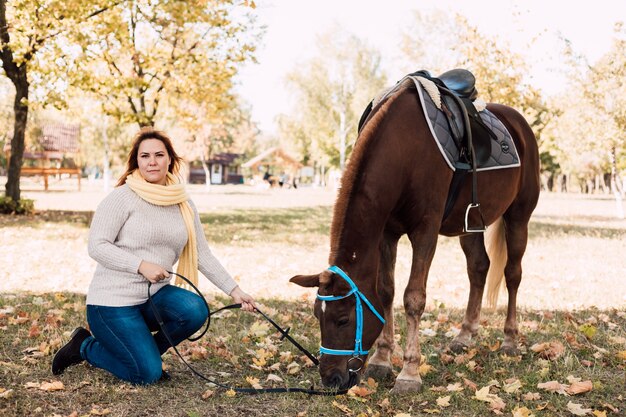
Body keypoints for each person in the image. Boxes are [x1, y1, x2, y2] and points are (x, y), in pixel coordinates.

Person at [52, 127, 256, 385]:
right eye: (145, 156)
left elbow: (201, 252)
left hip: (153, 296)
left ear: (170, 159)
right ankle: (84, 346)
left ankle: (143, 353)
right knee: (146, 374)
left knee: (194, 309)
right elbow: (97, 246)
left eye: (159, 155)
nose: (152, 161)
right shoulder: (122, 198)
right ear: (136, 160)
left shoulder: (182, 202)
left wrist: (235, 290)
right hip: (112, 302)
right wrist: (140, 265)